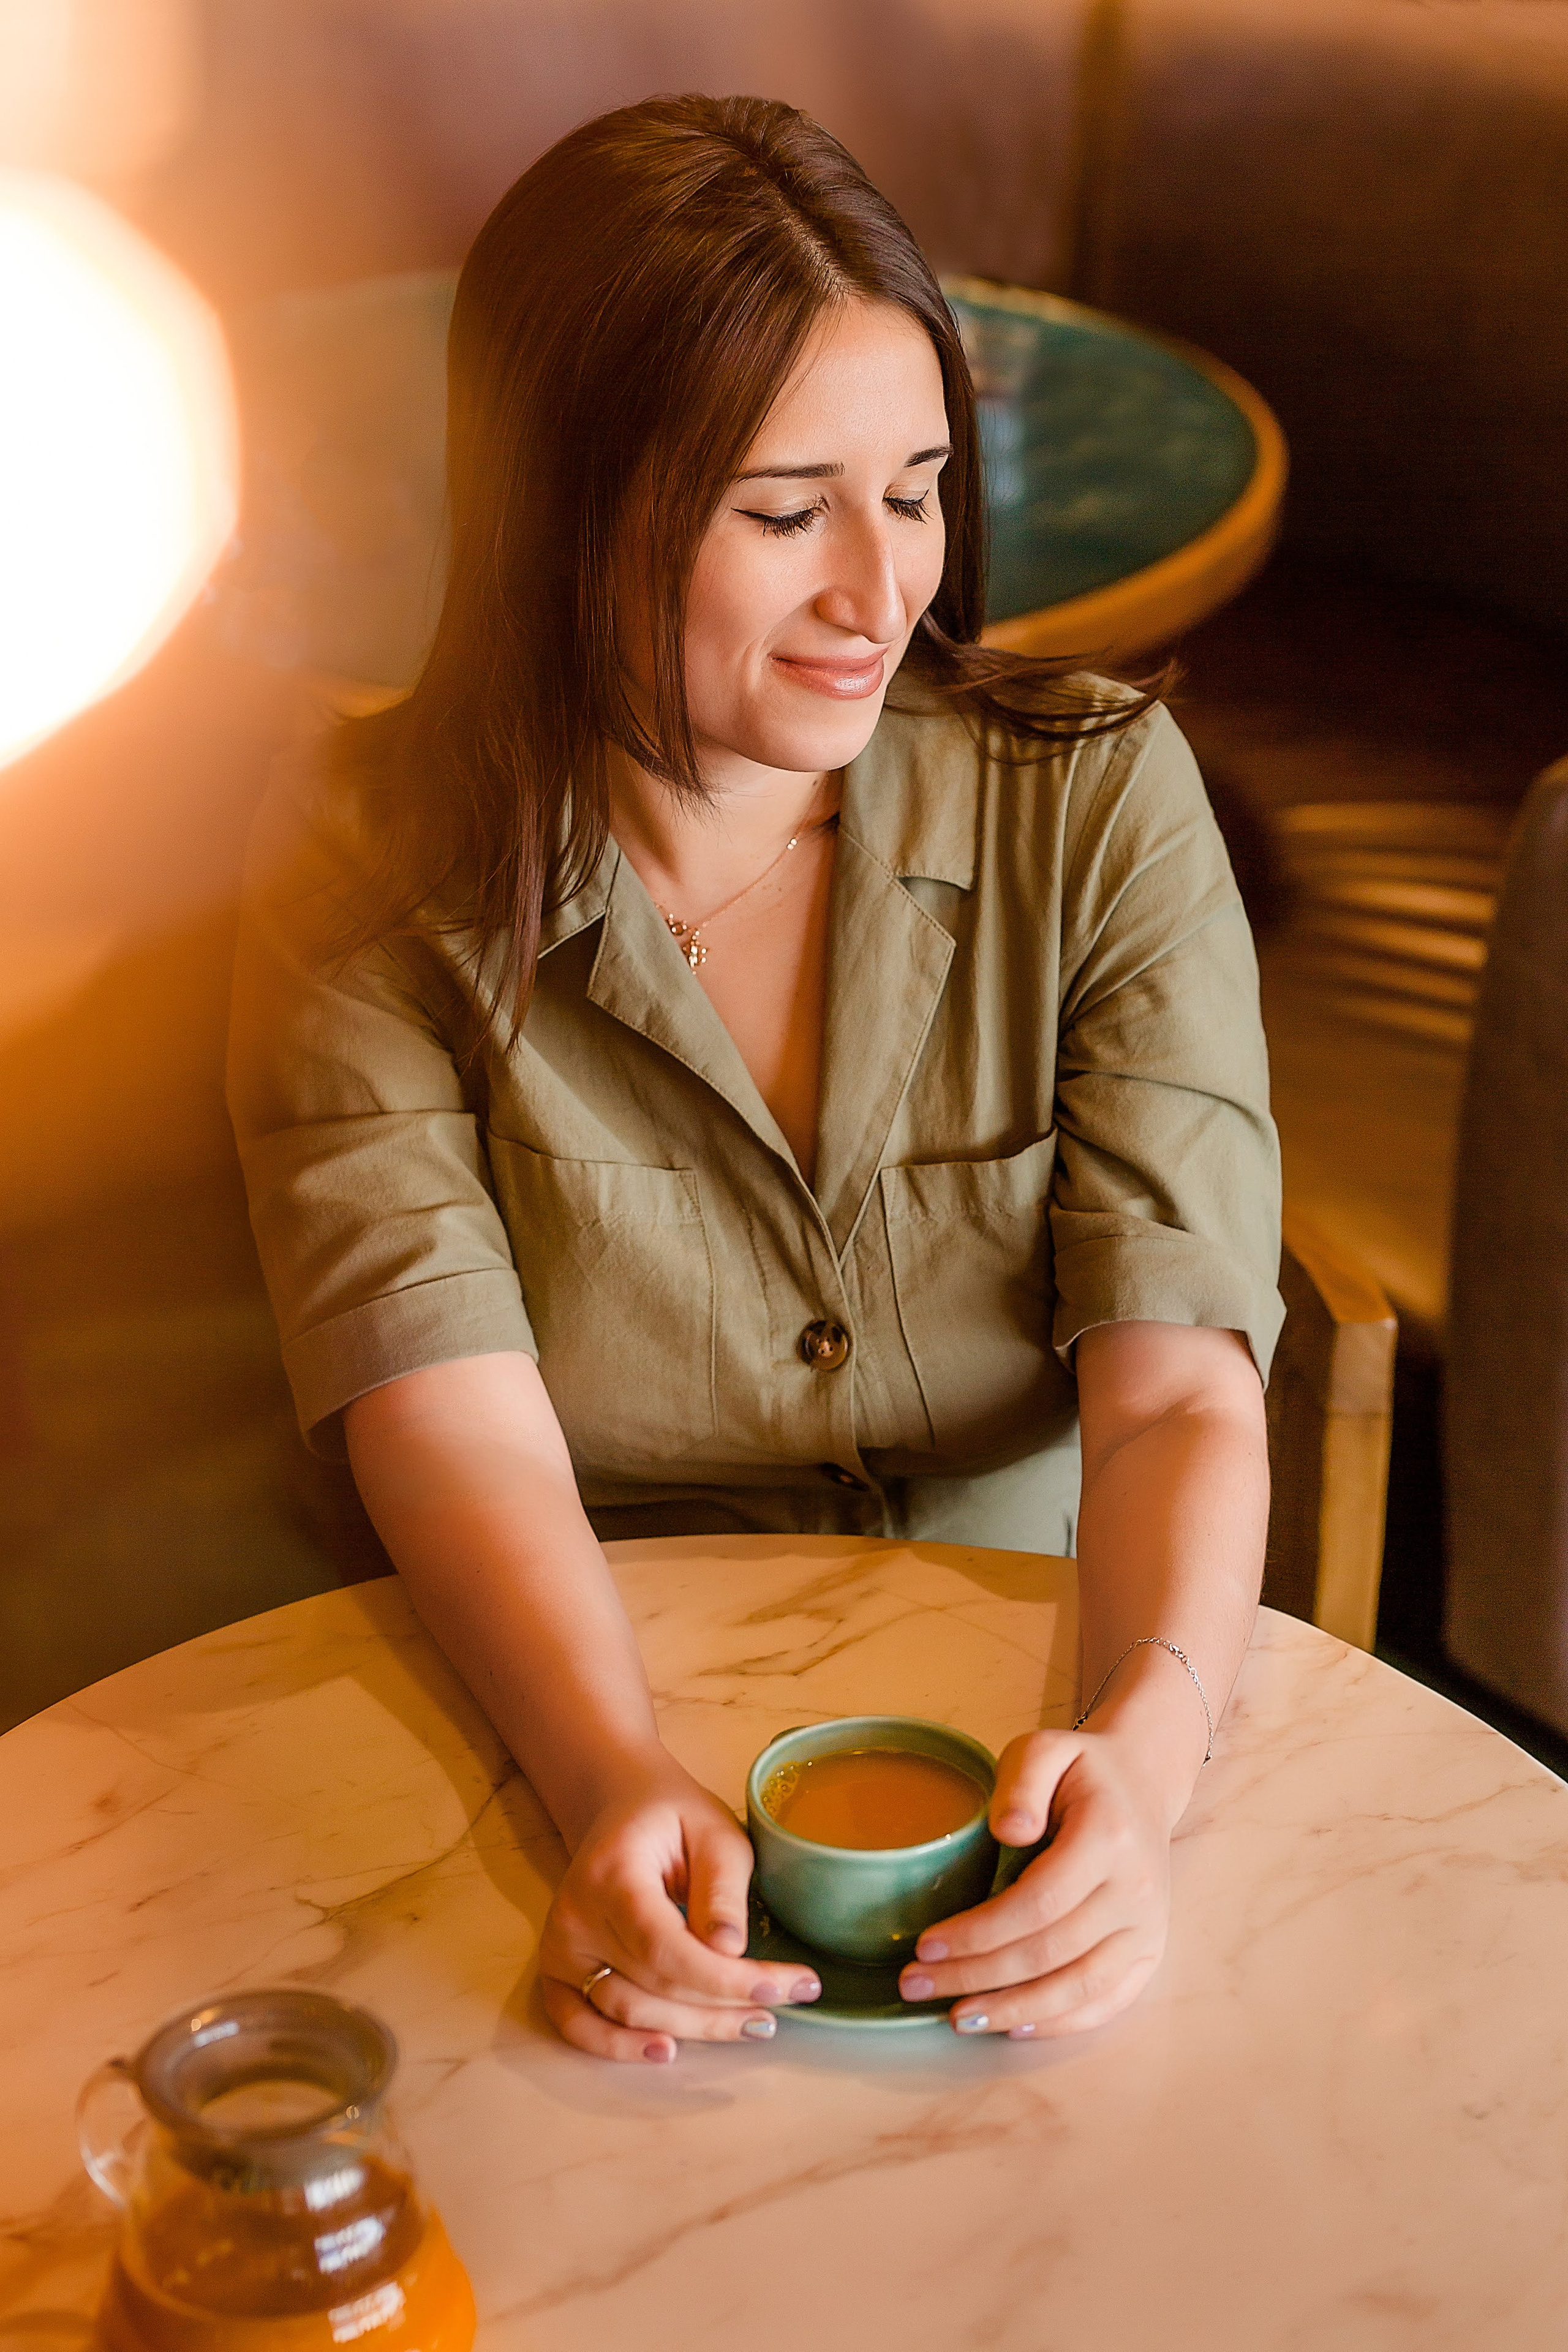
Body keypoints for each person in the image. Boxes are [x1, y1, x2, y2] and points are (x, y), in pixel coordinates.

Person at [228, 94, 1281, 2062]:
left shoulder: (1099, 801)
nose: (879, 595)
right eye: (785, 513)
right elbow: (442, 1415)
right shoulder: (365, 868)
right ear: (560, 506)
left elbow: (1173, 1395)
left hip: (1055, 1693)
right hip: (568, 1690)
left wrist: (1150, 1752)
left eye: (915, 491)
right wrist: (610, 1773)